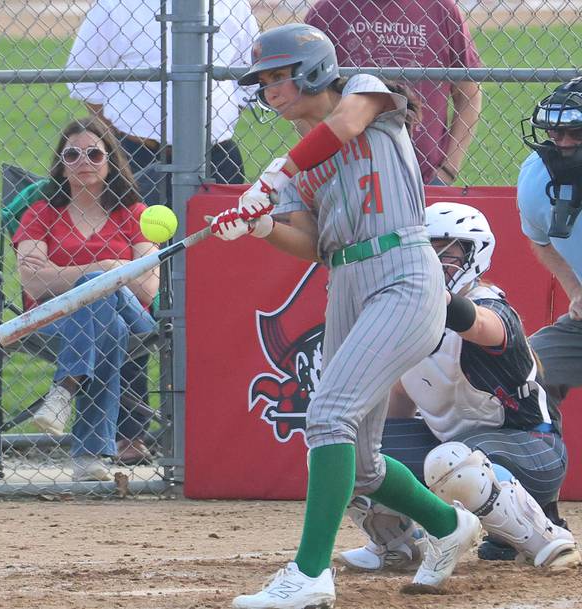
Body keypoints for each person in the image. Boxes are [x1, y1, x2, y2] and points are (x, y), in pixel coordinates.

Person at [209, 24, 481, 609]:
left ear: (311, 70)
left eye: (279, 75)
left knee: (327, 415)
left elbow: (346, 125)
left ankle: (309, 576)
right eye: (263, 80)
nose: (270, 89)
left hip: (403, 269)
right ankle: (448, 526)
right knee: (358, 462)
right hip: (347, 282)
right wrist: (259, 225)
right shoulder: (297, 163)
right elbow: (308, 241)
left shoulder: (365, 93)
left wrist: (275, 176)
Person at [337, 202, 580, 572]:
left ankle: (546, 538)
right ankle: (396, 543)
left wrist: (430, 294)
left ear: (475, 253)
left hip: (534, 451)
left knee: (454, 459)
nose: (433, 260)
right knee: (346, 448)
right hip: (454, 453)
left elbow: (482, 326)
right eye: (424, 250)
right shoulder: (410, 321)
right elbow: (403, 395)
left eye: (445, 250)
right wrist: (375, 453)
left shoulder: (493, 308)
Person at [12, 117, 159, 482]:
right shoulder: (41, 214)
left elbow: (145, 291)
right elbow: (32, 284)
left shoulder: (135, 215)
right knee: (102, 315)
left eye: (94, 153)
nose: (84, 162)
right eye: (72, 154)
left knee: (100, 295)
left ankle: (65, 389)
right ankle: (88, 457)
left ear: (110, 161)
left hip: (134, 318)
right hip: (58, 320)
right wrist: (108, 268)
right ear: (61, 163)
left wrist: (66, 276)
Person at [64, 0, 258, 205]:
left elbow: (252, 74)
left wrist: (224, 116)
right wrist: (116, 131)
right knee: (137, 235)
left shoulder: (233, 5)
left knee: (219, 233)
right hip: (136, 155)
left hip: (216, 155)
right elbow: (82, 77)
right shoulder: (115, 5)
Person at [305, 0, 483, 185]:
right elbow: (302, 99)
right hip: (348, 176)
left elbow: (468, 94)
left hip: (424, 179)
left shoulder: (440, 8)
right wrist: (325, 167)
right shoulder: (327, 11)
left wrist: (447, 171)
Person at [519, 77, 582, 404]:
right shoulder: (536, 179)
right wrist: (575, 291)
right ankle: (537, 451)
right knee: (521, 374)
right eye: (555, 133)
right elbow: (541, 241)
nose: (564, 144)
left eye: (577, 133)